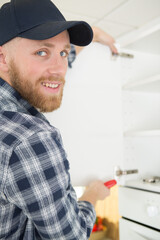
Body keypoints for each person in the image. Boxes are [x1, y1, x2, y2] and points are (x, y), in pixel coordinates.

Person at [0, 0, 110, 239]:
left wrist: (96, 34)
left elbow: (45, 70)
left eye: (62, 52)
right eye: (41, 52)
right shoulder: (29, 140)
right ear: (3, 58)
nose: (59, 69)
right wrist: (92, 196)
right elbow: (72, 236)